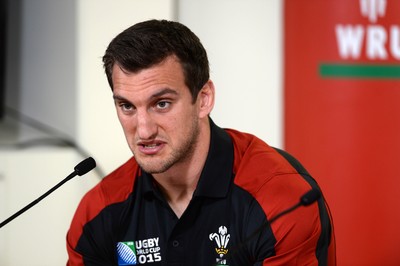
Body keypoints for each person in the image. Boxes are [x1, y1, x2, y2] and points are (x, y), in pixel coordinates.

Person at [66, 19, 336, 266]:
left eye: (162, 104)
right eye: (127, 106)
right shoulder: (98, 211)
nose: (144, 130)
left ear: (204, 99)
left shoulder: (280, 198)